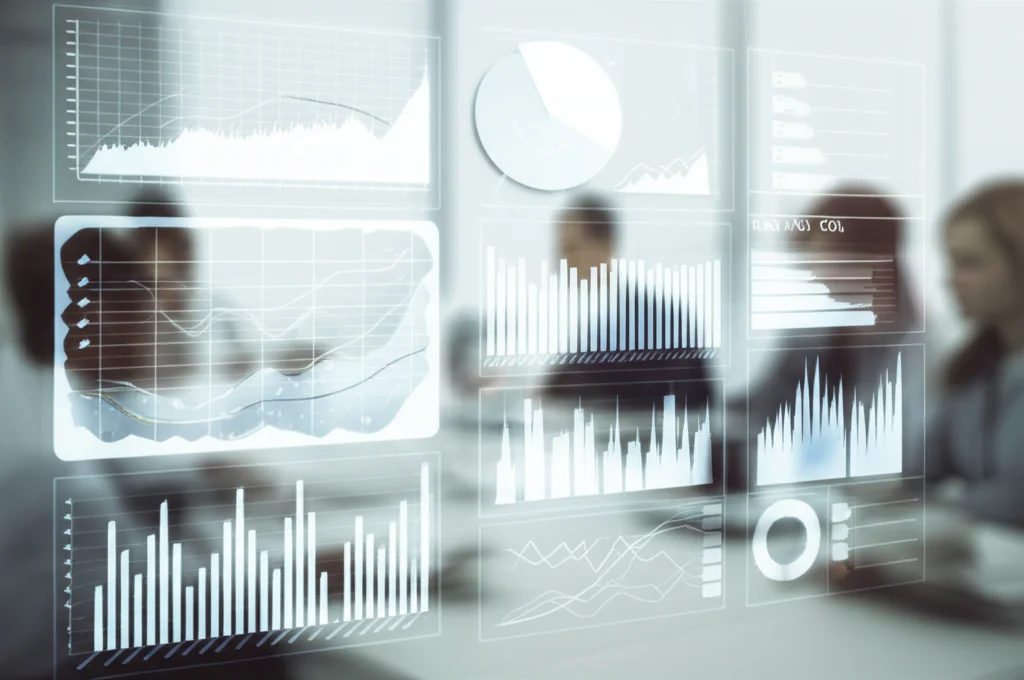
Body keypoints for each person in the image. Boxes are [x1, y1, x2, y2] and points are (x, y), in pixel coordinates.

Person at [737, 185, 921, 490]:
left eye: (823, 253)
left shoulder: (927, 348)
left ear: (873, 253)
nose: (813, 269)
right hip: (818, 496)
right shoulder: (812, 336)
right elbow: (757, 409)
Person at [919, 179, 1024, 527]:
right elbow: (922, 471)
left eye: (969, 263)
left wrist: (954, 502)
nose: (951, 281)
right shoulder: (973, 367)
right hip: (978, 568)